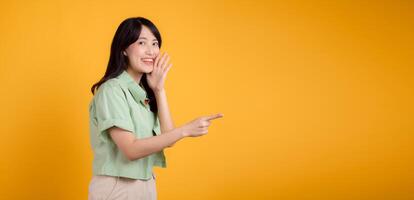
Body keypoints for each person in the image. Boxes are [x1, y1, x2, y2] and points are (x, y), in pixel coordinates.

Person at [87, 17, 223, 200]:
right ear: (124, 49)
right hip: (118, 186)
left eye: (155, 43)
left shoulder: (143, 93)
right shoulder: (112, 90)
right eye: (142, 43)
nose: (151, 51)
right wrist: (185, 130)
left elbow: (168, 136)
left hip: (146, 184)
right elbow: (131, 149)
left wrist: (159, 90)